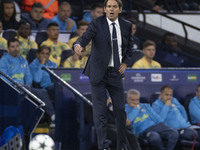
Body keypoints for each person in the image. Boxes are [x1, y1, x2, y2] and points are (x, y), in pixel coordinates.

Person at [74, 0, 133, 149]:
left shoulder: (126, 25)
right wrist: (78, 45)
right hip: (98, 72)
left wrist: (125, 63)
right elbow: (85, 37)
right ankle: (103, 146)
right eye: (108, 7)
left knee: (120, 110)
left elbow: (129, 48)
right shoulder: (96, 23)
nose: (111, 9)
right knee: (100, 112)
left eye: (114, 7)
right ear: (105, 9)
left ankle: (121, 145)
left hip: (115, 73)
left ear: (120, 9)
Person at [0, 38, 55, 127]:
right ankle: (19, 123)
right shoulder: (4, 60)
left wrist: (28, 85)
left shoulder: (23, 60)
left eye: (17, 46)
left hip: (24, 88)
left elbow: (28, 76)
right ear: (8, 48)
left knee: (42, 92)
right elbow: (3, 78)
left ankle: (53, 116)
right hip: (11, 88)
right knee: (22, 92)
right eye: (12, 47)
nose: (15, 49)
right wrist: (14, 86)